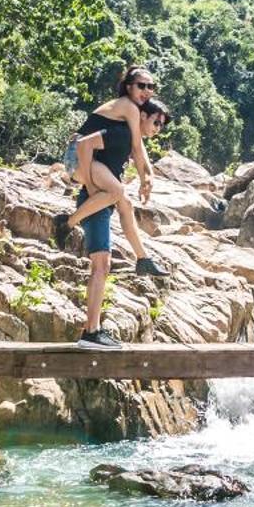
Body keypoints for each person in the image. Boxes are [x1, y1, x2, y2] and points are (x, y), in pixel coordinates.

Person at [56, 73, 172, 349]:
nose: (147, 90)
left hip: (90, 176)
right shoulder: (126, 112)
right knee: (118, 197)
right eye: (142, 86)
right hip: (82, 166)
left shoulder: (123, 126)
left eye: (151, 87)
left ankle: (142, 259)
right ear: (129, 88)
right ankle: (66, 223)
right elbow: (86, 144)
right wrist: (92, 185)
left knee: (124, 207)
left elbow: (138, 148)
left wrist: (148, 176)